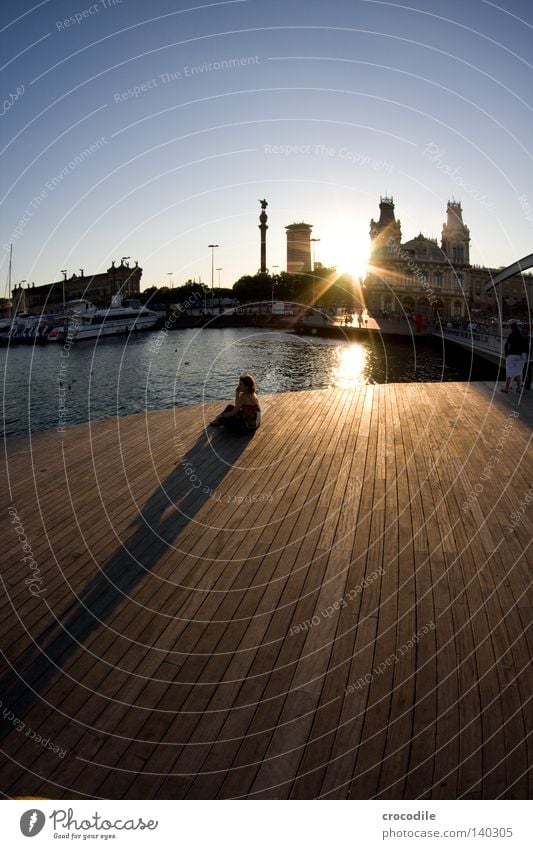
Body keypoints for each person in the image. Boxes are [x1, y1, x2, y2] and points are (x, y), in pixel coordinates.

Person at [501, 322, 527, 393]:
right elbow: (523, 346)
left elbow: (506, 345)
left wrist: (506, 354)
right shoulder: (521, 336)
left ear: (511, 328)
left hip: (511, 355)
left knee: (509, 372)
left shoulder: (511, 335)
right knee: (518, 372)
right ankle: (519, 388)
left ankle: (506, 388)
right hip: (518, 356)